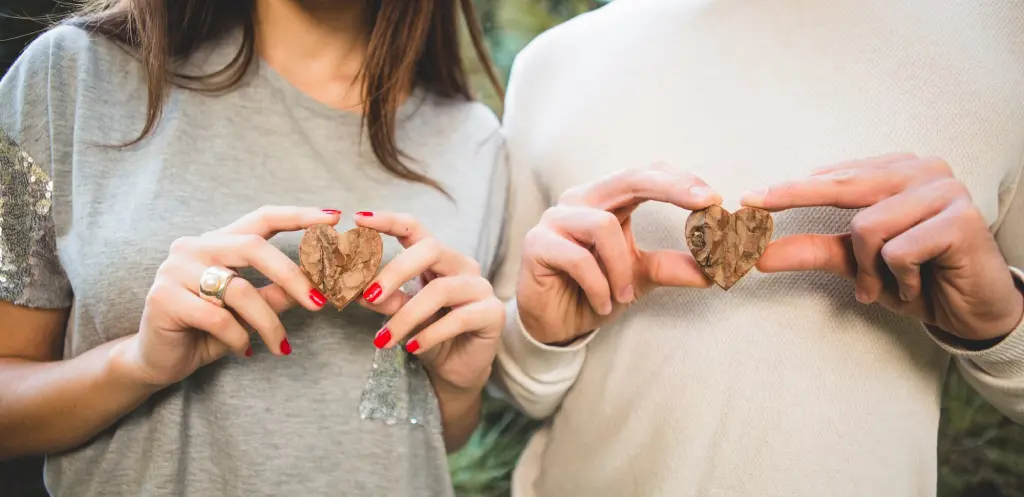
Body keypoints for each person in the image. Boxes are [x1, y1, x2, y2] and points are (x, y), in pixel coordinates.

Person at [491, 1, 1024, 495]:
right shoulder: (551, 65)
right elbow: (515, 383)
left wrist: (999, 327)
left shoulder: (1004, 35)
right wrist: (543, 336)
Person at [0, 1, 508, 496]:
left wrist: (459, 389)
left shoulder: (476, 141)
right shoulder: (62, 79)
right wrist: (135, 365)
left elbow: (421, 431)